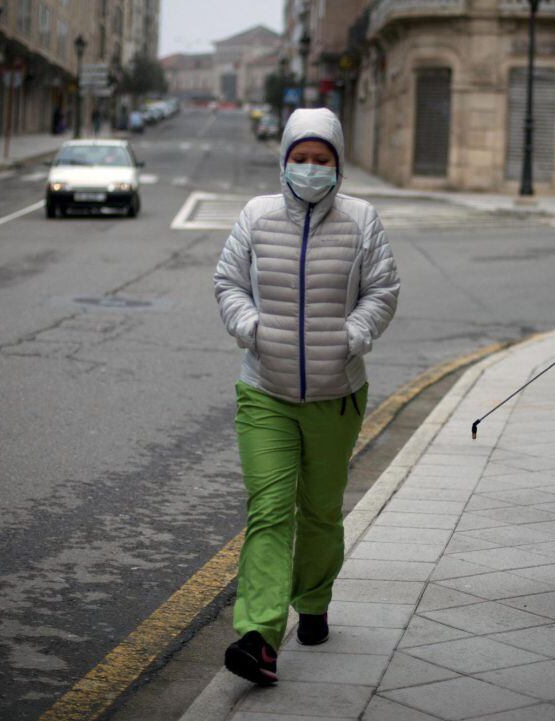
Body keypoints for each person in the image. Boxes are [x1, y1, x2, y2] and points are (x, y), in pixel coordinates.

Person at [213, 108, 400, 684]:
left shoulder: (362, 220)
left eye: (322, 161)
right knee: (269, 511)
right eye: (301, 158)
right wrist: (249, 326)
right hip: (263, 390)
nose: (311, 169)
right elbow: (229, 282)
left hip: (335, 394)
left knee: (319, 511)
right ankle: (259, 636)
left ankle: (313, 600)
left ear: (338, 166)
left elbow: (383, 290)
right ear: (285, 161)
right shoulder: (256, 216)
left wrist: (353, 335)